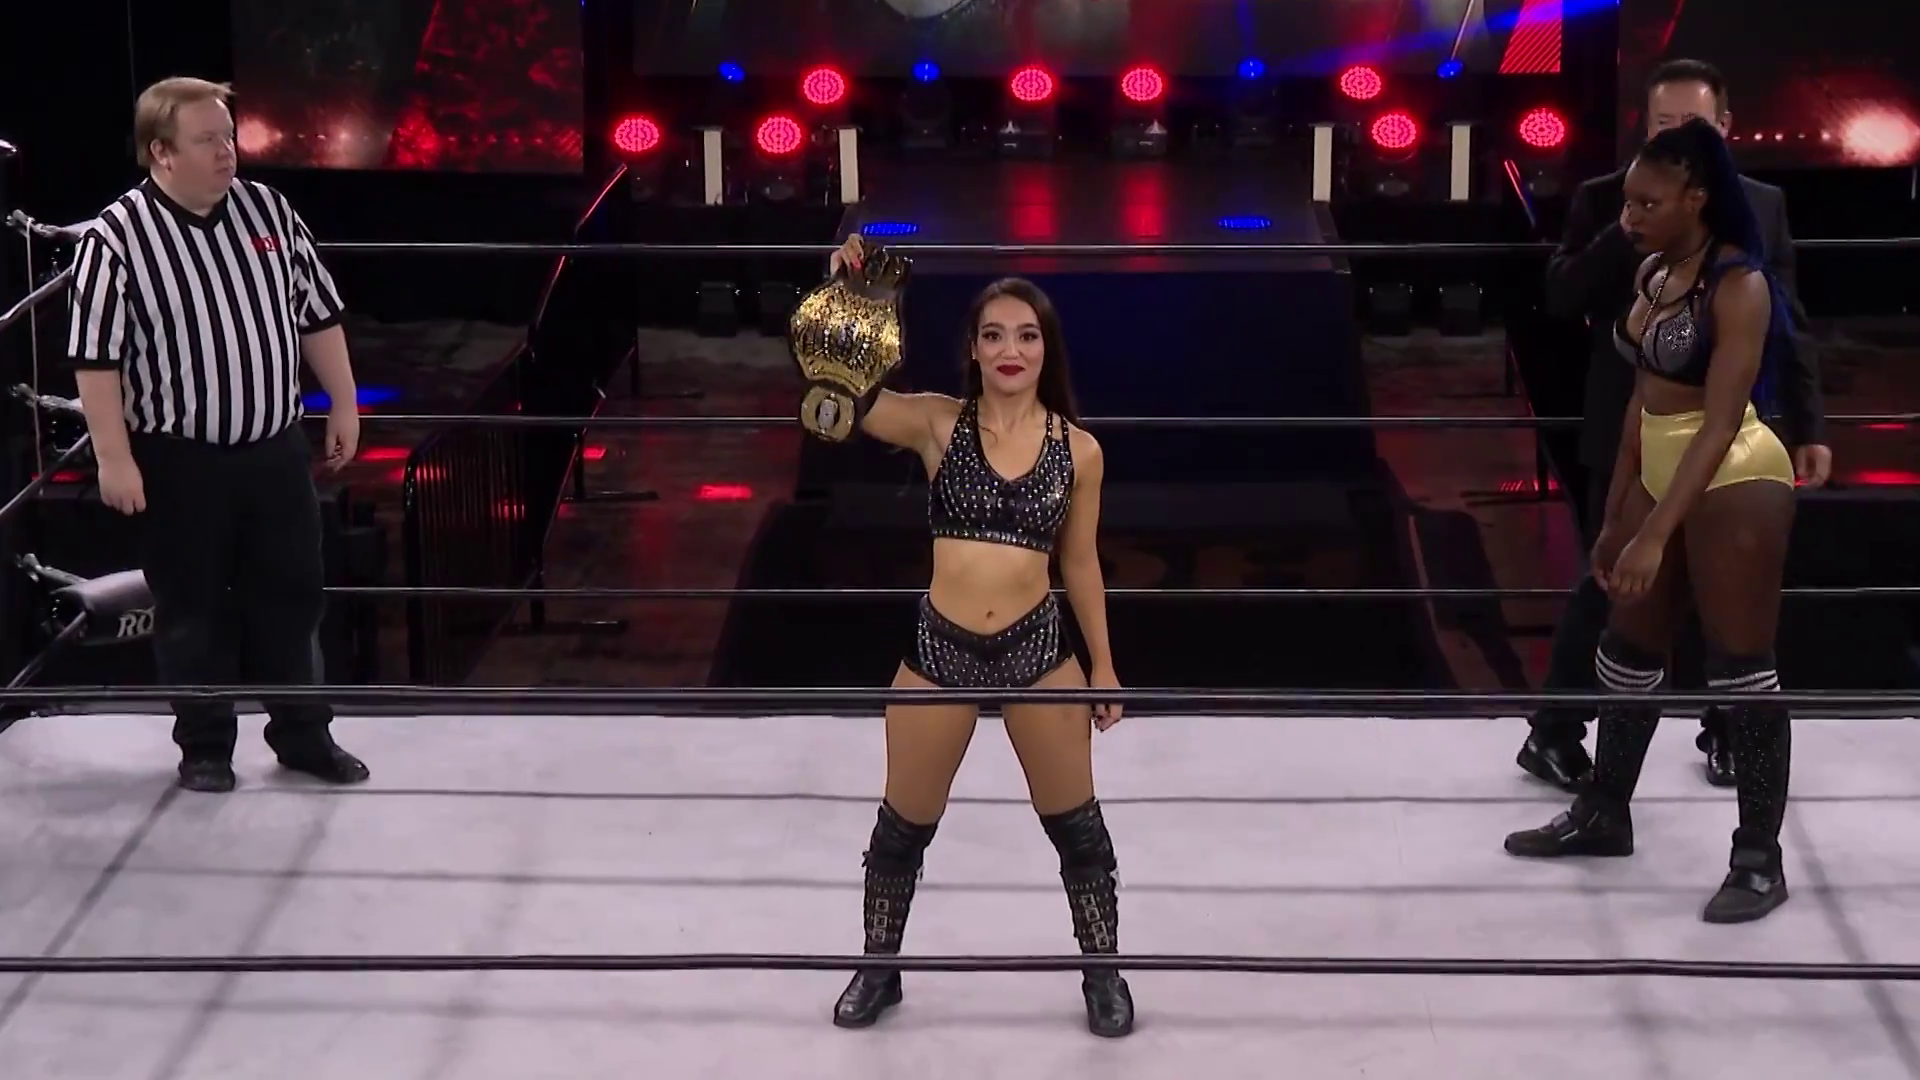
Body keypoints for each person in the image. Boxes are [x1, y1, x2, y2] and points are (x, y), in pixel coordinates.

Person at [806, 235, 1133, 1037]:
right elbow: (848, 403)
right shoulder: (936, 423)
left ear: (1045, 349)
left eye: (1025, 335)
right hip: (941, 648)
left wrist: (1104, 665)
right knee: (901, 827)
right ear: (974, 350)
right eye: (994, 335)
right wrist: (851, 297)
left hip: (1036, 651)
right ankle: (878, 969)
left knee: (1079, 828)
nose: (1010, 349)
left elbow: (1081, 562)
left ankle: (1103, 974)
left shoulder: (1079, 451)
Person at [1505, 117, 1800, 924]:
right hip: (1658, 462)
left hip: (1733, 473)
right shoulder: (1655, 273)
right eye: (1628, 201)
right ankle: (1605, 810)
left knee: (1741, 666)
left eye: (1647, 203)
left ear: (1695, 198)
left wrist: (1657, 532)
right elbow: (1640, 400)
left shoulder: (1739, 285)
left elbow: (1719, 420)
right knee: (1627, 647)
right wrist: (1616, 520)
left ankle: (1759, 858)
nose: (1629, 216)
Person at [1516, 59, 1829, 793]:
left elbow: (1790, 324)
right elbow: (1559, 296)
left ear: (1726, 128)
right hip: (1632, 428)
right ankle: (1556, 732)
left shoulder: (1761, 208)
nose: (1683, 141)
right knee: (1613, 584)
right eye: (1666, 127)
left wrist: (1809, 422)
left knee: (1729, 593)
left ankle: (1727, 736)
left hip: (1730, 435)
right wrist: (1636, 222)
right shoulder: (1609, 201)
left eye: (1696, 127)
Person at [64, 77, 370, 793]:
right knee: (191, 607)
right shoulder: (116, 238)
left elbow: (317, 314)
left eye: (229, 137)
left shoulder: (268, 210)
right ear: (161, 152)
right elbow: (96, 360)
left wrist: (345, 403)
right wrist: (113, 457)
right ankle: (204, 747)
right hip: (179, 458)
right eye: (207, 140)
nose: (227, 152)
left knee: (293, 598)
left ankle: (304, 736)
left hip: (273, 448)